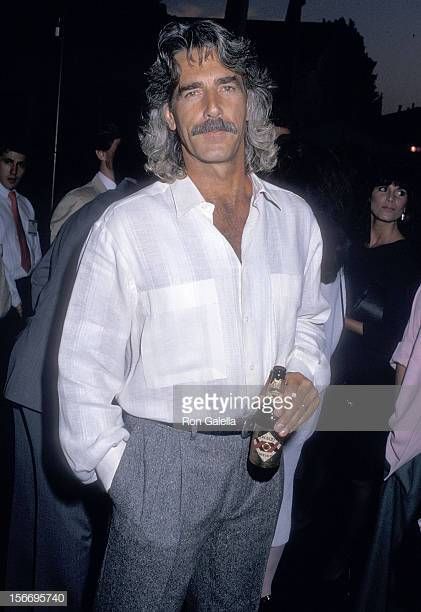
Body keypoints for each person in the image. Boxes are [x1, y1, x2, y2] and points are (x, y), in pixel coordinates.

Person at [57, 20, 330, 611]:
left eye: (227, 86)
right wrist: (124, 475)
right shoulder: (128, 228)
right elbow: (82, 370)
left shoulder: (295, 219)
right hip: (160, 463)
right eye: (190, 91)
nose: (211, 107)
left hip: (261, 466)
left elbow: (312, 322)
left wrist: (306, 376)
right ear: (169, 117)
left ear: (250, 102)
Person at [4, 177, 141, 609]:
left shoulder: (98, 206)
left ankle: (20, 602)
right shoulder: (143, 217)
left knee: (29, 530)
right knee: (66, 540)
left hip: (28, 375)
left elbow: (41, 277)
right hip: (63, 393)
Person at [324, 168, 421, 607]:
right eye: (383, 187)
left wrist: (336, 318)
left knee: (360, 475)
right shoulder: (347, 247)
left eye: (401, 192)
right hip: (332, 370)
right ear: (370, 193)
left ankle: (345, 561)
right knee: (324, 465)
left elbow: (394, 334)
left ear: (408, 205)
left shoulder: (408, 258)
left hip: (372, 379)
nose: (390, 198)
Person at [357, 283, 421, 611]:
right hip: (408, 450)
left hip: (407, 445)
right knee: (389, 572)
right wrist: (396, 422)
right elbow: (405, 355)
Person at [50, 123, 121, 241]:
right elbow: (59, 254)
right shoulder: (80, 200)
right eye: (118, 149)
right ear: (101, 154)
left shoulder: (133, 197)